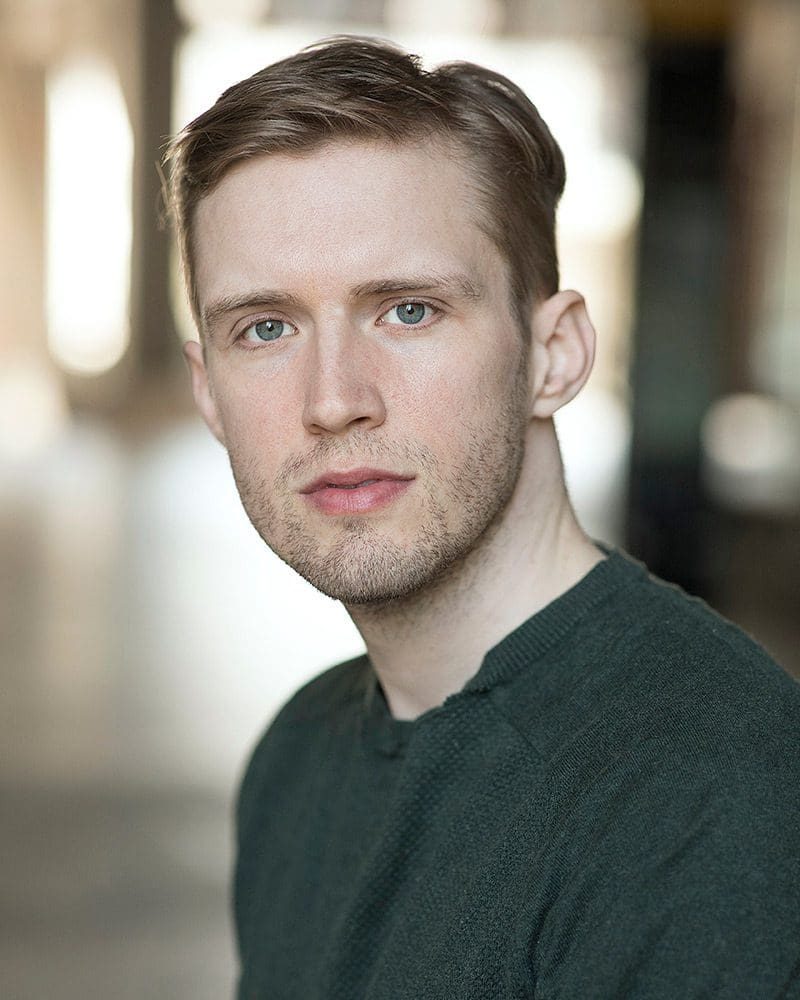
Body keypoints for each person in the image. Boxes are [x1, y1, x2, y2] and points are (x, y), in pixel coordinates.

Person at [164, 36, 800, 1000]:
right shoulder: (298, 758)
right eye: (266, 327)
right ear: (209, 391)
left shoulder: (706, 785)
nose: (334, 399)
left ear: (555, 355)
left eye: (408, 311)